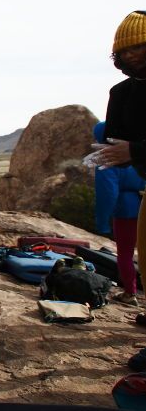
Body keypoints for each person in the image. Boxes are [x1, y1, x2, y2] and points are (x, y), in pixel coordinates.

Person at [98, 11, 146, 303]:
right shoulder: (122, 93)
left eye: (138, 46)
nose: (131, 55)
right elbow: (116, 138)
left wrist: (135, 150)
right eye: (124, 50)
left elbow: (131, 148)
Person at [93, 121, 145, 306]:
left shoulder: (108, 158)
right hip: (142, 203)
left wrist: (102, 223)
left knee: (125, 254)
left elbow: (107, 192)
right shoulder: (136, 152)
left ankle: (130, 293)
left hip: (126, 211)